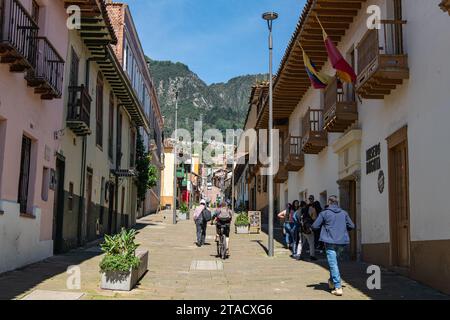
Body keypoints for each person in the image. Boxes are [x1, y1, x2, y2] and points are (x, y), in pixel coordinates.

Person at [312, 195, 355, 297]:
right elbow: (352, 226)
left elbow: (315, 226)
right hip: (341, 242)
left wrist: (323, 226)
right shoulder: (344, 213)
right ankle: (332, 282)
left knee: (333, 264)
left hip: (329, 240)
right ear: (337, 202)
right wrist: (343, 231)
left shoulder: (324, 213)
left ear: (329, 202)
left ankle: (338, 287)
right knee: (334, 263)